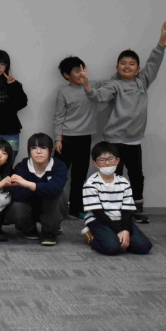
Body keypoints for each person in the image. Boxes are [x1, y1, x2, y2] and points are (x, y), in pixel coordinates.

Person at [81, 20, 166, 223]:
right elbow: (98, 96)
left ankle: (136, 208)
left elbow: (154, 62)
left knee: (137, 175)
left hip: (134, 141)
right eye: (123, 63)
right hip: (114, 140)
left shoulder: (143, 81)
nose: (127, 66)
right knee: (115, 175)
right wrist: (87, 85)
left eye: (132, 64)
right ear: (117, 67)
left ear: (138, 68)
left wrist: (162, 39)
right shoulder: (114, 85)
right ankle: (114, 209)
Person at [53, 56, 102, 219]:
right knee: (58, 174)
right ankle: (53, 209)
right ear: (67, 75)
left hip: (84, 138)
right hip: (66, 138)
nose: (81, 73)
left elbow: (113, 81)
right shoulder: (63, 91)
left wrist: (123, 62)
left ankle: (76, 209)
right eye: (77, 71)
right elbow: (58, 116)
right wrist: (57, 139)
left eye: (83, 69)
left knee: (80, 176)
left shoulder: (92, 85)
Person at [82, 141, 152, 255]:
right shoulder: (90, 184)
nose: (107, 163)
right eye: (102, 160)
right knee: (112, 248)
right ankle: (91, 238)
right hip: (99, 221)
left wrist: (126, 230)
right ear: (95, 163)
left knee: (144, 247)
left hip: (121, 220)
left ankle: (117, 239)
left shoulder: (124, 182)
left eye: (110, 159)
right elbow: (98, 213)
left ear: (117, 161)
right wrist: (119, 231)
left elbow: (127, 211)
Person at [5, 133, 68, 246]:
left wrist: (27, 184)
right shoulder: (22, 166)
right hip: (29, 207)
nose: (38, 152)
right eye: (34, 148)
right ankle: (29, 228)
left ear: (51, 151)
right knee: (16, 206)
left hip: (50, 207)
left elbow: (56, 189)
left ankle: (49, 231)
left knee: (61, 195)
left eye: (43, 148)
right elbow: (16, 194)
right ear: (29, 151)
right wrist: (44, 188)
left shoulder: (59, 166)